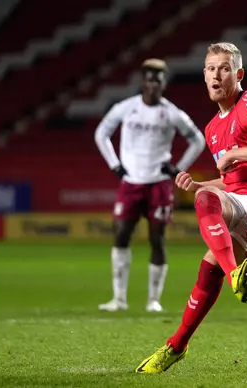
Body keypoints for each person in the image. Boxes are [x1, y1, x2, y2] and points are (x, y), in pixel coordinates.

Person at [136, 42, 247, 374]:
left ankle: (234, 273)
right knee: (207, 266)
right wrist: (201, 186)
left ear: (238, 74)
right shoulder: (212, 130)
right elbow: (233, 182)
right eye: (211, 69)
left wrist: (237, 154)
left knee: (208, 218)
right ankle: (176, 345)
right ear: (204, 76)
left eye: (224, 68)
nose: (217, 75)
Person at [94, 59, 206, 313]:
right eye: (149, 78)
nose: (153, 83)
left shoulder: (171, 113)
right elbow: (101, 133)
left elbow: (197, 140)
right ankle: (119, 299)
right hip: (131, 182)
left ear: (164, 84)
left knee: (157, 239)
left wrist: (178, 168)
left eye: (158, 79)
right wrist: (115, 165)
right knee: (121, 234)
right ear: (142, 81)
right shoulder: (126, 108)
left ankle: (153, 300)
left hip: (158, 183)